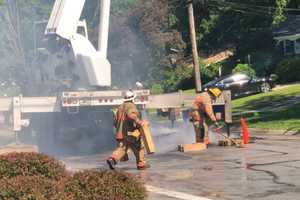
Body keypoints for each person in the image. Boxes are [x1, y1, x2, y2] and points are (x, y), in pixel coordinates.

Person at [107, 90, 149, 170]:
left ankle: (112, 159)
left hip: (121, 133)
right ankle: (141, 163)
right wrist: (139, 122)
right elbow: (131, 115)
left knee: (123, 148)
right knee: (139, 147)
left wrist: (119, 130)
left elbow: (115, 122)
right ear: (132, 99)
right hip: (130, 133)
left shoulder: (120, 107)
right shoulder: (131, 106)